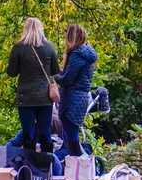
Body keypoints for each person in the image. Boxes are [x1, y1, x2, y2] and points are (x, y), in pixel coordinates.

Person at [6, 17, 60, 153]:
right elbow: (55, 71)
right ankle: (48, 166)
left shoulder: (18, 48)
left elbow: (11, 72)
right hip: (45, 99)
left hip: (26, 98)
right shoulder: (49, 47)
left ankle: (30, 167)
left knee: (28, 134)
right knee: (45, 134)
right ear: (41, 29)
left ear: (25, 29)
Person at [54, 24, 97, 157]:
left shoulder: (77, 55)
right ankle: (77, 170)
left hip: (73, 100)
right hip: (79, 99)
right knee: (71, 139)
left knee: (72, 140)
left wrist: (54, 74)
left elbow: (67, 79)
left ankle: (81, 168)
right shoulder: (86, 54)